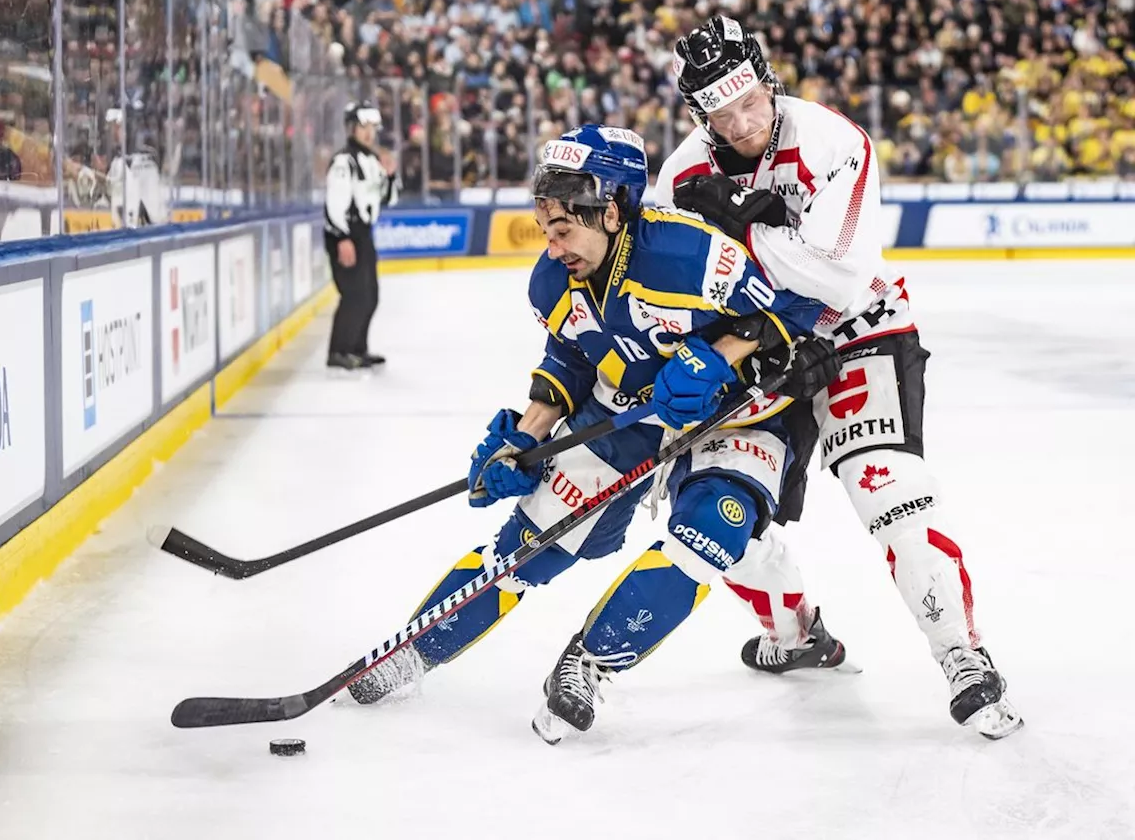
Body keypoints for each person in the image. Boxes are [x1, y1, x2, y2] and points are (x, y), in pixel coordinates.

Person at [344, 124, 845, 744]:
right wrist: (525, 435)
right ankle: (415, 650)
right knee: (529, 542)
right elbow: (573, 357)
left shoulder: (693, 256)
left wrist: (722, 354)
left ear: (611, 210)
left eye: (564, 230)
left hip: (737, 413)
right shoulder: (553, 281)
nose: (553, 248)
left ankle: (590, 664)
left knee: (711, 528)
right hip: (630, 414)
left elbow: (807, 304)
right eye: (545, 230)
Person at [650, 16, 1022, 739]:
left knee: (889, 490)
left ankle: (963, 657)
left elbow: (841, 275)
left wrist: (744, 236)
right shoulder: (680, 177)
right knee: (713, 511)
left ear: (767, 79)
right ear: (698, 114)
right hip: (760, 349)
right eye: (722, 114)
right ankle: (795, 634)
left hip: (859, 331)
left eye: (752, 101)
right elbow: (674, 295)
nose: (744, 122)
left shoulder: (830, 140)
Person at [323, 100, 399, 370]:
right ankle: (338, 352)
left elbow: (388, 199)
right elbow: (335, 202)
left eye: (372, 127)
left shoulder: (372, 161)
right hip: (346, 233)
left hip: (364, 233)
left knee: (370, 295)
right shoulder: (345, 162)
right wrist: (342, 237)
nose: (369, 133)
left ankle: (357, 348)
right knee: (354, 294)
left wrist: (390, 176)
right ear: (352, 129)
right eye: (363, 127)